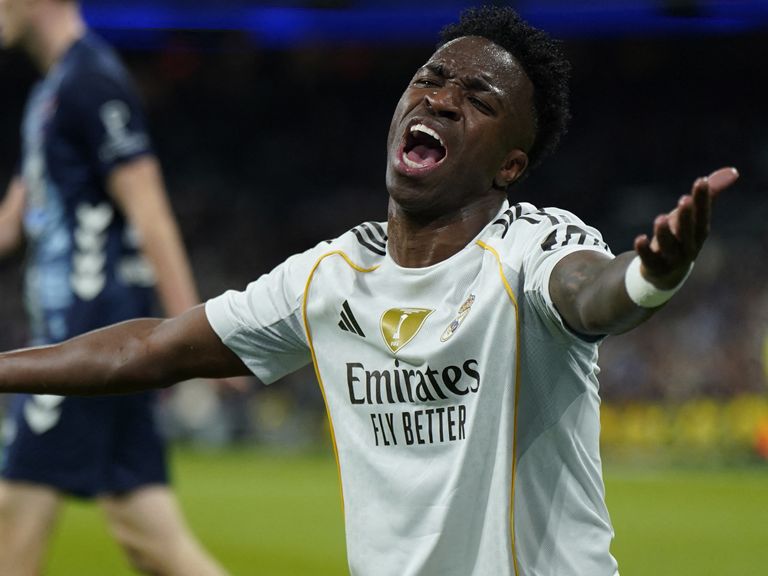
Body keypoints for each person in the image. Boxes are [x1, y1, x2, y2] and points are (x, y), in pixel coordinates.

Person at [0, 4, 739, 576]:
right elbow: (148, 348)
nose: (441, 99)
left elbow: (590, 292)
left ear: (510, 167)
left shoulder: (529, 247)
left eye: (478, 99)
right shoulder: (329, 276)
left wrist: (648, 276)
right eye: (430, 79)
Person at [0, 1, 229, 575]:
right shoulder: (50, 94)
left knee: (12, 519)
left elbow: (151, 214)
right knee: (151, 540)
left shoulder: (92, 81)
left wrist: (197, 336)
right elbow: (10, 224)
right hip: (83, 337)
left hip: (87, 342)